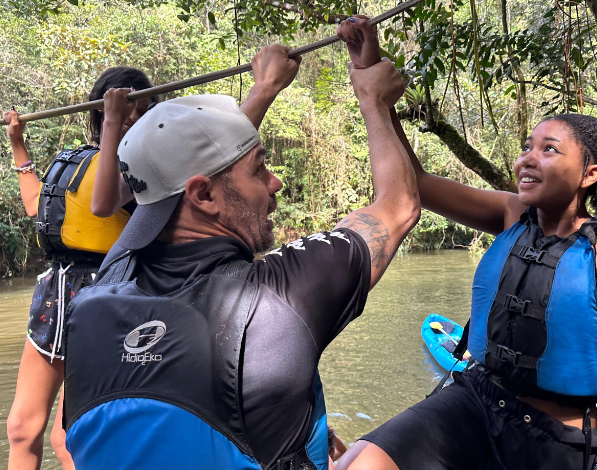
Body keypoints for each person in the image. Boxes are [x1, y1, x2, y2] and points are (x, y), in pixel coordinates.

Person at [61, 24, 420, 469]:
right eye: (259, 168)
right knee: (369, 458)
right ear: (203, 196)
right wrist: (373, 97)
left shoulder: (96, 295)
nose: (276, 182)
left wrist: (266, 87)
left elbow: (192, 175)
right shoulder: (278, 296)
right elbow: (399, 206)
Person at [336, 110, 597, 470]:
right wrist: (378, 98)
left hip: (551, 438)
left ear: (589, 174)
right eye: (527, 147)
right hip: (474, 400)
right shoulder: (512, 214)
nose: (526, 158)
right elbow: (414, 182)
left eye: (548, 149)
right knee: (361, 462)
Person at [2, 66, 155, 470]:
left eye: (141, 111)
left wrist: (115, 124)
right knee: (21, 428)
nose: (131, 120)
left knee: (69, 438)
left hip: (108, 299)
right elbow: (38, 208)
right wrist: (18, 144)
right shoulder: (78, 161)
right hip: (56, 296)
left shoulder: (145, 169)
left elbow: (106, 201)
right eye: (125, 110)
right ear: (100, 111)